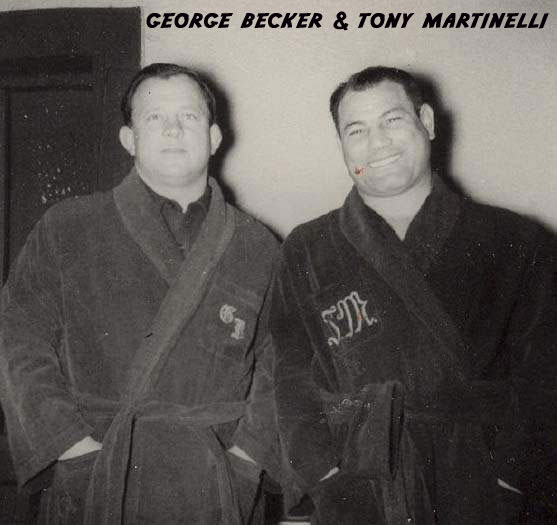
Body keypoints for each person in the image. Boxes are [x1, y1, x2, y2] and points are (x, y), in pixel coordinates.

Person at [271, 66, 557, 523]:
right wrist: (326, 480)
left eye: (393, 120)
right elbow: (290, 378)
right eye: (356, 130)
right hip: (359, 484)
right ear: (341, 145)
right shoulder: (307, 247)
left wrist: (512, 480)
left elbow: (544, 373)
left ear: (427, 121)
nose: (377, 143)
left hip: (484, 485)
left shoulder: (515, 239)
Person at [0, 63, 278, 524]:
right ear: (128, 139)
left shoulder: (257, 244)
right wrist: (71, 448)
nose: (172, 128)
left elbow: (282, 362)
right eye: (154, 117)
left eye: (188, 116)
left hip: (215, 483)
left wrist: (247, 461)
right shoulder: (67, 227)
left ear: (213, 137)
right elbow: (17, 341)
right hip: (102, 474)